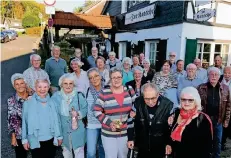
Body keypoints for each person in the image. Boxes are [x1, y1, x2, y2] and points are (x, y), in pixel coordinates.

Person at [94, 68, 136, 158]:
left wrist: (133, 112)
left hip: (125, 132)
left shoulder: (129, 89)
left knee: (123, 156)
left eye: (119, 77)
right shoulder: (104, 92)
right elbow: (96, 110)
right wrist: (109, 122)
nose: (116, 80)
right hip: (108, 132)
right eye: (114, 78)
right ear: (110, 79)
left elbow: (136, 105)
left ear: (122, 78)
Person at [127, 83, 173, 158]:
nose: (150, 102)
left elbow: (171, 127)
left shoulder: (168, 105)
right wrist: (130, 138)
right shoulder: (137, 102)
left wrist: (169, 143)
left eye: (153, 98)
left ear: (158, 94)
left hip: (160, 145)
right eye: (147, 99)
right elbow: (130, 121)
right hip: (142, 144)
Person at [22, 79, 62, 158]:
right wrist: (24, 140)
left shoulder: (53, 102)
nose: (42, 89)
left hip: (50, 138)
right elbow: (24, 123)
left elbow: (57, 121)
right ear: (35, 88)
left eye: (45, 87)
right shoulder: (28, 103)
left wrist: (59, 136)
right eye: (39, 87)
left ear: (48, 88)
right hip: (35, 139)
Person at [169, 87, 213, 158]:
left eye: (190, 100)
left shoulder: (203, 119)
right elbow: (171, 135)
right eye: (184, 99)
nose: (186, 103)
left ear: (196, 101)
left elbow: (207, 146)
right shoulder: (176, 114)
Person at [51, 73, 87, 158]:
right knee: (67, 154)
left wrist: (78, 113)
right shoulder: (55, 97)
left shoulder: (79, 95)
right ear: (61, 85)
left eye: (70, 83)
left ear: (73, 84)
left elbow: (85, 109)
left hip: (78, 130)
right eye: (65, 83)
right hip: (63, 131)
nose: (68, 86)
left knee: (80, 154)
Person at [197, 67, 231, 158]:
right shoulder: (201, 87)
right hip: (204, 120)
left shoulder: (225, 88)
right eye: (211, 74)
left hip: (218, 120)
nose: (214, 76)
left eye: (216, 75)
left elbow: (228, 106)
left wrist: (226, 121)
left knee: (217, 142)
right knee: (204, 140)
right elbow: (196, 104)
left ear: (219, 76)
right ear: (208, 76)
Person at [7, 74, 29, 158]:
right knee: (21, 155)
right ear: (14, 86)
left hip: (35, 132)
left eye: (22, 83)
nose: (20, 86)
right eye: (17, 84)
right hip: (20, 133)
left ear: (25, 84)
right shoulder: (11, 100)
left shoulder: (33, 97)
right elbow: (11, 119)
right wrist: (13, 137)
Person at [86, 68, 105, 158]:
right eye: (91, 77)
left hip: (105, 125)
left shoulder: (107, 90)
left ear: (100, 76)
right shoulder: (87, 91)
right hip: (91, 125)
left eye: (96, 76)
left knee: (103, 152)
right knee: (90, 153)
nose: (94, 79)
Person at [221, 66, 231, 150]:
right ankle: (222, 142)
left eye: (229, 73)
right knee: (223, 125)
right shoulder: (220, 80)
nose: (227, 75)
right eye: (225, 73)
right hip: (223, 106)